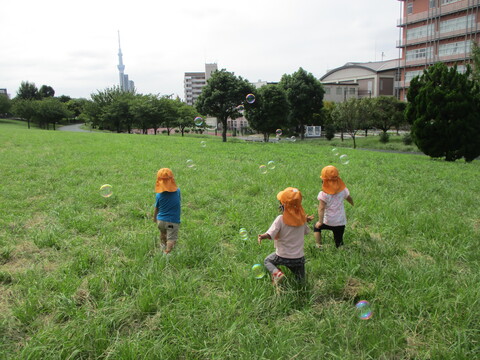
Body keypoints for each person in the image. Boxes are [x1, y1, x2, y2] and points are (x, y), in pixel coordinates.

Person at [258, 187, 314, 285]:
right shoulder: (301, 220)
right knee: (300, 281)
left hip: (282, 256)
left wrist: (263, 236)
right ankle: (301, 285)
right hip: (299, 258)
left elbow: (270, 234)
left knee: (268, 261)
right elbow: (306, 232)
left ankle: (277, 274)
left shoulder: (280, 219)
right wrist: (304, 220)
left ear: (283, 205)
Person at [314, 165, 354, 249]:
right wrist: (352, 203)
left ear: (323, 180)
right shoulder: (343, 190)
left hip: (328, 222)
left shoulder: (323, 194)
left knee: (316, 227)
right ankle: (339, 247)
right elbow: (349, 197)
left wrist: (320, 222)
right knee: (339, 242)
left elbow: (321, 208)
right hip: (340, 222)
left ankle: (318, 245)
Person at [153, 168, 181, 254]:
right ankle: (167, 253)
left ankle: (162, 245)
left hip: (160, 221)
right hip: (171, 222)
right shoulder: (177, 191)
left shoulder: (159, 195)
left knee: (163, 233)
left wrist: (154, 218)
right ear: (172, 179)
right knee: (171, 238)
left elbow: (156, 208)